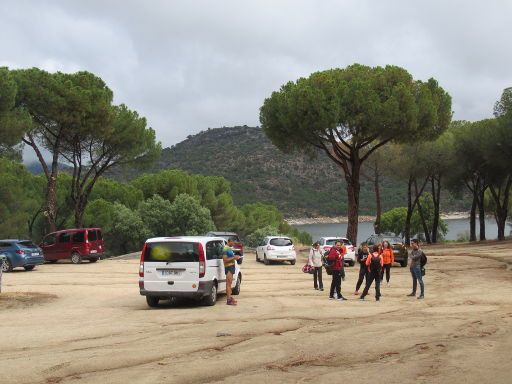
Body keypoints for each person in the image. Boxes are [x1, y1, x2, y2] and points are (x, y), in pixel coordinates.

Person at [223, 238, 241, 306]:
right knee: (228, 284)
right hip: (229, 267)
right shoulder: (225, 249)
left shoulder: (229, 248)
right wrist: (234, 257)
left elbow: (230, 257)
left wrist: (235, 257)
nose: (234, 244)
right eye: (233, 242)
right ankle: (228, 300)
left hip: (231, 267)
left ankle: (230, 298)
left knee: (230, 284)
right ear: (229, 241)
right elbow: (225, 260)